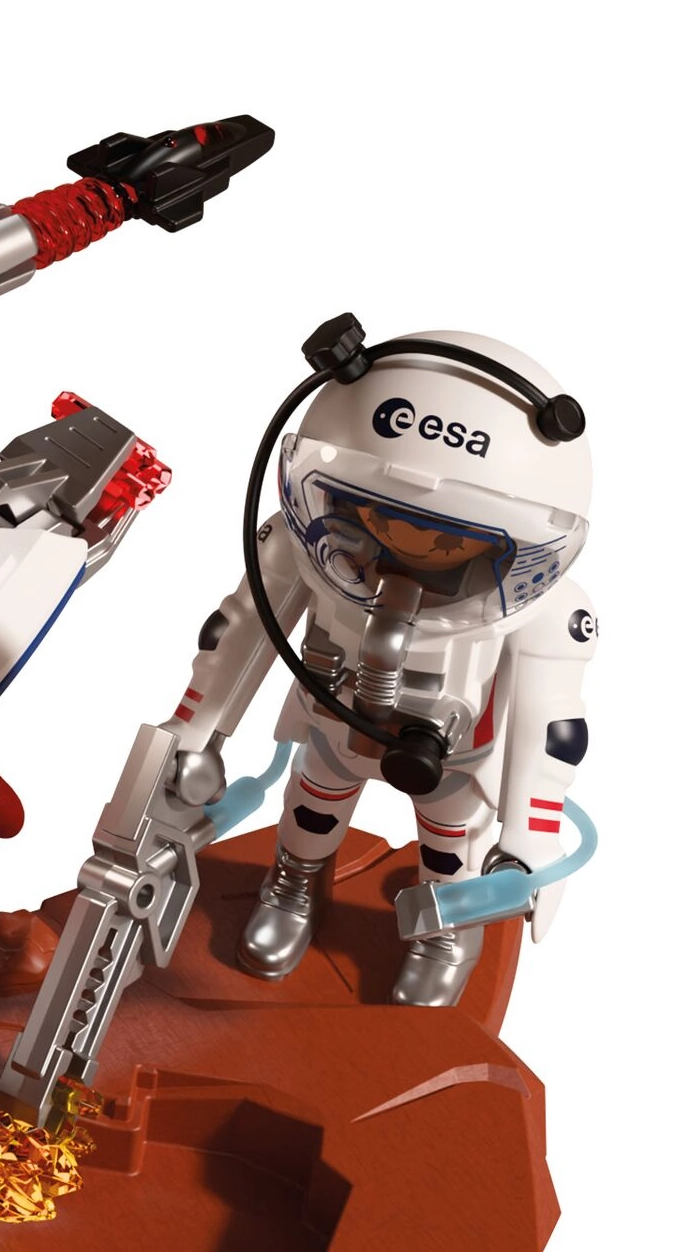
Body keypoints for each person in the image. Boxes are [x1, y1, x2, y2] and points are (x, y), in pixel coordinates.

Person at [162, 331, 595, 1005]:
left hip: (455, 759)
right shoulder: (302, 549)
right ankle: (295, 884)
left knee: (451, 847)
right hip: (333, 726)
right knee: (310, 810)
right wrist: (196, 730)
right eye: (380, 519)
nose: (411, 547)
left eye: (449, 539)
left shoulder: (545, 607)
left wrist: (531, 831)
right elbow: (239, 632)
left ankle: (446, 934)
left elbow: (552, 723)